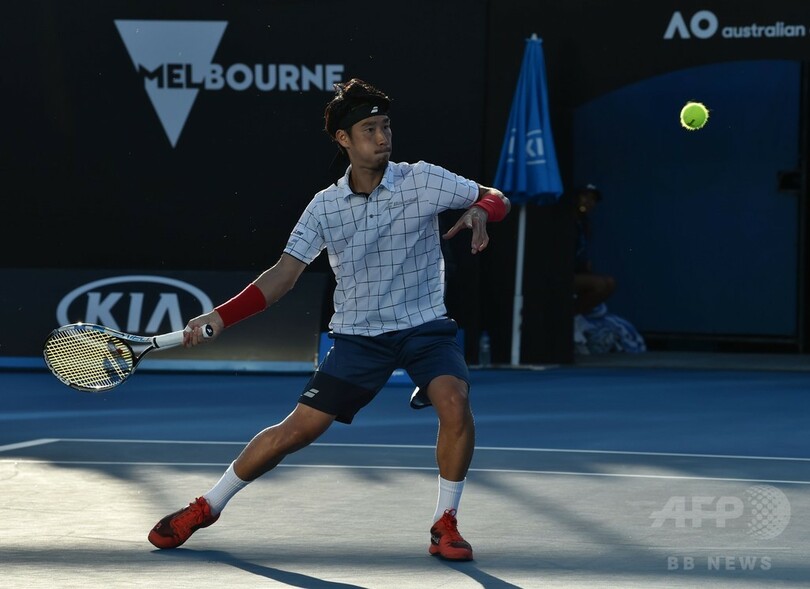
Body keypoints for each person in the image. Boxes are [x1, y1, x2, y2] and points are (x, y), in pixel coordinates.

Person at [147, 78, 510, 561]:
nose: (382, 137)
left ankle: (445, 523)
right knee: (295, 432)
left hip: (424, 327)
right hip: (359, 339)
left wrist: (482, 210)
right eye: (369, 129)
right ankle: (207, 506)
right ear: (343, 139)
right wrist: (220, 316)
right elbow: (282, 276)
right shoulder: (324, 207)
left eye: (385, 126)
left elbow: (496, 195)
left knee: (454, 400)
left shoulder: (422, 179)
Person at [572, 183, 615, 316]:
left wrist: (584, 264)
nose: (589, 202)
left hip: (576, 272)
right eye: (585, 196)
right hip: (558, 276)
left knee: (610, 283)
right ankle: (566, 316)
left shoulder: (584, 223)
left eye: (593, 199)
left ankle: (574, 316)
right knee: (599, 285)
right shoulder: (566, 220)